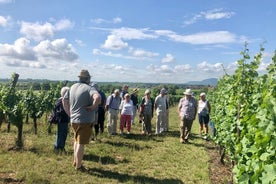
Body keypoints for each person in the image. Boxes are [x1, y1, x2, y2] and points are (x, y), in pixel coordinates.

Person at [63, 69, 101, 171]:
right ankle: (79, 166)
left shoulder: (72, 87)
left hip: (73, 120)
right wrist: (93, 107)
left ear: (79, 78)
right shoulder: (89, 88)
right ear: (88, 78)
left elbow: (64, 100)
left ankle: (76, 162)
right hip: (85, 120)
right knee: (81, 143)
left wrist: (69, 113)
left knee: (76, 141)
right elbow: (98, 98)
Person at [54, 86, 70, 153]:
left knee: (61, 133)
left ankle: (58, 147)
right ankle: (59, 148)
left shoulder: (59, 99)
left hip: (61, 119)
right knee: (62, 134)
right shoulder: (63, 101)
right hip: (63, 119)